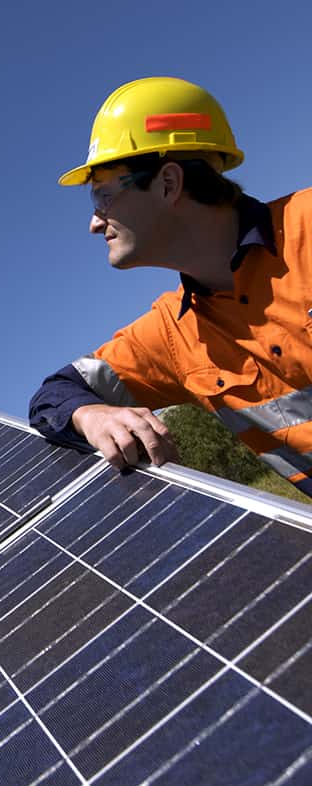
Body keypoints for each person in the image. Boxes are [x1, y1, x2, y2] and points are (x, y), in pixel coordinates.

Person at [29, 76, 312, 497]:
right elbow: (55, 394)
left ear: (168, 183)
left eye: (103, 197)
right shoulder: (172, 335)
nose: (94, 222)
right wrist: (92, 417)